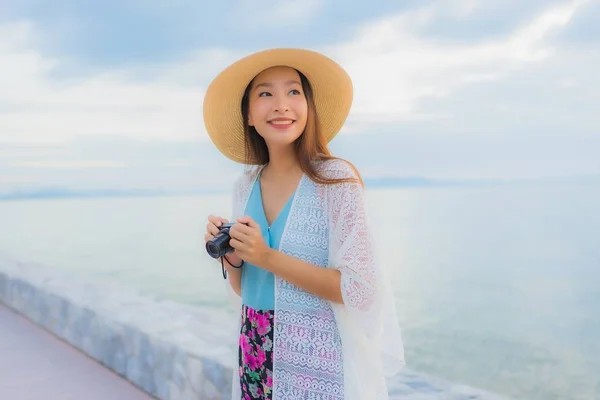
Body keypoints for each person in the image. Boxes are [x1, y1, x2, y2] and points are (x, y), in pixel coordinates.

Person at [202, 48, 405, 400]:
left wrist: (267, 257)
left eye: (294, 92)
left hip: (315, 355)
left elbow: (360, 290)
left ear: (308, 107)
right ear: (249, 114)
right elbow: (246, 288)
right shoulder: (245, 185)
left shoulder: (336, 180)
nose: (282, 105)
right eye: (265, 93)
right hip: (253, 345)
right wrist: (233, 258)